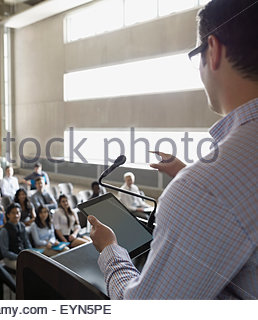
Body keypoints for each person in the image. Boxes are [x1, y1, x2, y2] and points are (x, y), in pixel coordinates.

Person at [89, 0, 257, 299]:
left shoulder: (202, 189)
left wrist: (111, 251)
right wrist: (188, 175)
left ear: (213, 50)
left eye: (197, 55)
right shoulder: (210, 183)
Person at [0, 203, 32, 270]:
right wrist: (20, 257)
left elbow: (27, 243)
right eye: (13, 213)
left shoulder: (22, 226)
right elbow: (5, 252)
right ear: (8, 215)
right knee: (26, 268)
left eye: (18, 212)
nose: (16, 215)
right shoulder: (4, 230)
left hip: (23, 256)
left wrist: (30, 254)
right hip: (10, 259)